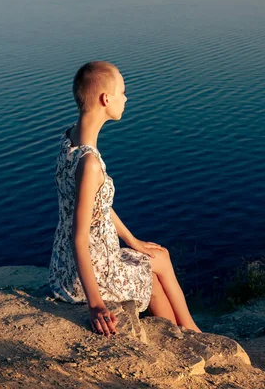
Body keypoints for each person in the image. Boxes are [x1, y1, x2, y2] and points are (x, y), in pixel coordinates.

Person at [49, 61, 201, 336]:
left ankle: (183, 333)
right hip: (89, 274)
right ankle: (190, 332)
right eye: (122, 92)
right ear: (106, 99)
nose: (126, 98)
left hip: (64, 266)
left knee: (151, 263)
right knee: (161, 261)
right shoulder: (90, 163)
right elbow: (79, 238)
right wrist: (96, 305)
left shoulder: (69, 139)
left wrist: (132, 241)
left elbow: (98, 205)